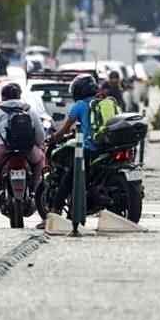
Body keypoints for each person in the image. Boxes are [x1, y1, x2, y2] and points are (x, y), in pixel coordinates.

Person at [44, 73, 100, 221]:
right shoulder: (101, 102)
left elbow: (64, 128)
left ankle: (55, 212)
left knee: (68, 179)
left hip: (89, 148)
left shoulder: (79, 105)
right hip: (105, 147)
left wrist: (53, 137)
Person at [0, 82, 46, 207]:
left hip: (4, 150)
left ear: (3, 96)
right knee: (40, 159)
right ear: (19, 96)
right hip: (27, 151)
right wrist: (39, 146)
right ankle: (35, 190)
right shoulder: (29, 110)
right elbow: (40, 134)